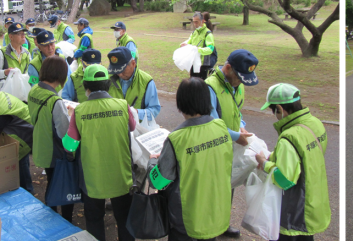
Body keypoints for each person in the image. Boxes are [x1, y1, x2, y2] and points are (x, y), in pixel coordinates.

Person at [146, 77, 233, 241]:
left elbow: (158, 182)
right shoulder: (221, 127)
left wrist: (152, 162)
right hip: (215, 211)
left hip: (187, 219)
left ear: (180, 104)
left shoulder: (177, 139)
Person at [62, 64, 136, 241]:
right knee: (125, 218)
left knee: (94, 219)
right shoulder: (122, 104)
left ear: (86, 87)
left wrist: (71, 117)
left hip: (92, 178)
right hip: (121, 174)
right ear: (108, 84)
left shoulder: (79, 111)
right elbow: (132, 127)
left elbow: (69, 146)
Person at [254, 83, 330, 241]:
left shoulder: (288, 138)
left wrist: (265, 163)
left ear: (280, 109)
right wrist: (275, 156)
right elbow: (306, 153)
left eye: (273, 111)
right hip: (315, 199)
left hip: (296, 210)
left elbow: (285, 180)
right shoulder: (315, 123)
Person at [204, 49, 258, 237]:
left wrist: (241, 126)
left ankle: (223, 223)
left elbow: (237, 110)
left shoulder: (238, 84)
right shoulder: (209, 87)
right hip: (215, 147)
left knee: (229, 185)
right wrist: (236, 136)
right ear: (227, 68)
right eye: (240, 78)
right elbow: (210, 122)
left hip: (232, 147)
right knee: (215, 188)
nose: (241, 82)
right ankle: (212, 226)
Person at [27, 55, 75, 223]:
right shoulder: (55, 101)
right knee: (62, 185)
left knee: (50, 180)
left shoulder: (34, 90)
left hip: (40, 146)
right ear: (61, 76)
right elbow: (64, 133)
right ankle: (66, 219)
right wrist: (69, 116)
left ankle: (51, 213)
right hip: (55, 153)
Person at [106, 47, 161, 124]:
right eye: (115, 70)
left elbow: (154, 110)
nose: (119, 74)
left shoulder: (146, 81)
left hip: (137, 128)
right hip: (114, 126)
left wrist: (136, 112)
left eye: (122, 70)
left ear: (133, 63)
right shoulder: (107, 79)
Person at [0, 91, 34, 194]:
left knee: (19, 160)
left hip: (24, 133)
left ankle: (28, 192)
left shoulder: (1, 110)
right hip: (22, 126)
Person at [181, 12, 216, 80]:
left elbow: (210, 49)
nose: (195, 24)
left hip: (203, 64)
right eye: (194, 22)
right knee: (193, 83)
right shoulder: (194, 33)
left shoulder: (208, 34)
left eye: (197, 22)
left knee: (201, 85)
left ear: (203, 21)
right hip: (193, 62)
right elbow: (189, 41)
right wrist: (184, 44)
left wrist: (198, 49)